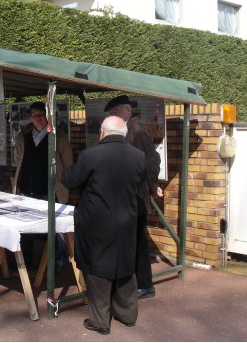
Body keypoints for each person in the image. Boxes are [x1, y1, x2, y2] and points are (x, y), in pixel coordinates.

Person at [62, 116, 147, 335]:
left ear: (102, 132)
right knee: (125, 265)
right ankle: (128, 314)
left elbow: (70, 180)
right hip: (127, 219)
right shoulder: (138, 156)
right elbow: (139, 182)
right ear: (124, 133)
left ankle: (100, 321)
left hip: (97, 221)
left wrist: (65, 169)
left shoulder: (91, 155)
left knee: (98, 268)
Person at [104, 95, 163, 300]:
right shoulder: (125, 128)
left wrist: (153, 187)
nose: (114, 116)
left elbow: (151, 159)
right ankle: (137, 283)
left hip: (135, 195)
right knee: (133, 239)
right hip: (126, 195)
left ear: (128, 110)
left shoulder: (135, 129)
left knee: (137, 240)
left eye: (116, 112)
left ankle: (145, 285)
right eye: (111, 114)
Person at [12, 101, 73, 270]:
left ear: (48, 116)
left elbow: (68, 163)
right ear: (30, 117)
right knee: (26, 226)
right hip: (26, 187)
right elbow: (18, 158)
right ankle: (27, 260)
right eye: (34, 115)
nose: (38, 118)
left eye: (41, 115)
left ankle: (59, 261)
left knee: (55, 226)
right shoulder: (23, 135)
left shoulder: (58, 136)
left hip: (51, 189)